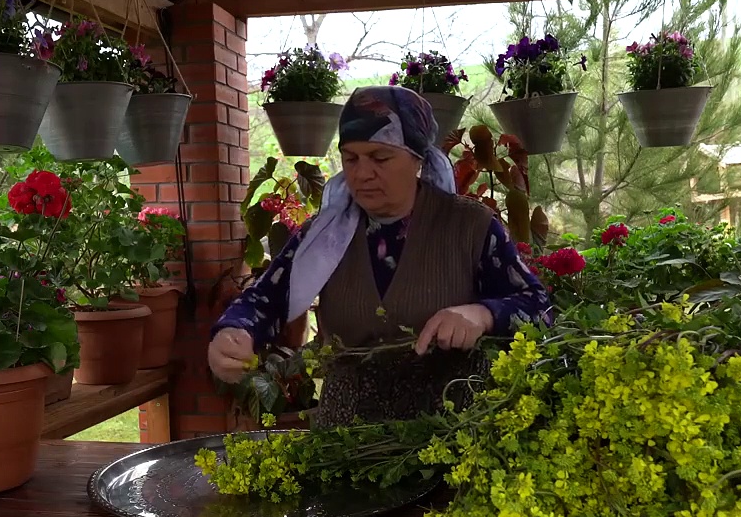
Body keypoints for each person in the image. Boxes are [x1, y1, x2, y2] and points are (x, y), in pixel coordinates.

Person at [209, 85, 550, 428]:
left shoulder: (469, 226)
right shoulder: (324, 235)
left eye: (380, 158)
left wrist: (482, 314)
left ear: (417, 157)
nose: (362, 173)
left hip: (448, 435)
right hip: (345, 440)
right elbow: (265, 300)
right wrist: (232, 333)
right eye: (351, 158)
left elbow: (538, 306)